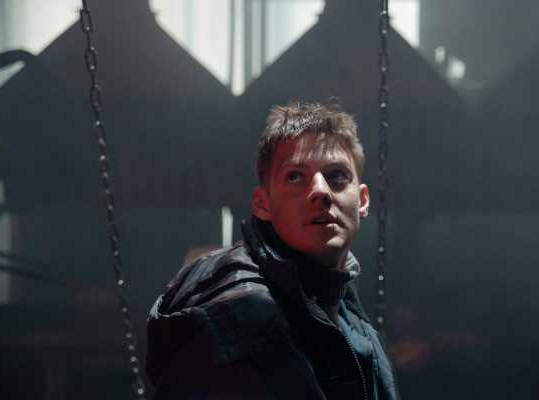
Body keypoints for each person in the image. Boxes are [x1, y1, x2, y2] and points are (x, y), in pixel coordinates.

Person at [146, 101, 399, 399]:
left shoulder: (342, 308)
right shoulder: (238, 310)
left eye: (337, 176)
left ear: (363, 200)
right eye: (295, 176)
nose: (320, 191)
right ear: (262, 204)